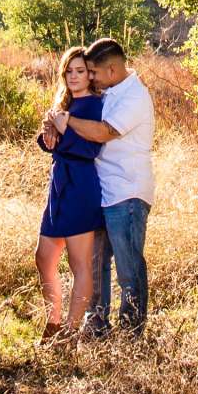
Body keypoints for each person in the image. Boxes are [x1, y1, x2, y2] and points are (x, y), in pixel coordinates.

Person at [47, 35, 154, 337]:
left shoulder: (134, 96)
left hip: (128, 192)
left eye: (92, 72)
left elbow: (104, 132)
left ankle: (132, 334)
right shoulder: (109, 92)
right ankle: (97, 327)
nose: (89, 77)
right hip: (101, 192)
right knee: (97, 266)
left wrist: (66, 120)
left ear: (111, 70)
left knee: (128, 267)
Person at [33, 46, 105, 341]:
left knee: (79, 264)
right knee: (44, 257)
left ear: (90, 74)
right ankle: (52, 321)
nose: (74, 76)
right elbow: (52, 140)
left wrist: (64, 133)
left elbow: (91, 148)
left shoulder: (96, 106)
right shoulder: (65, 103)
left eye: (80, 71)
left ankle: (69, 332)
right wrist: (47, 136)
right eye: (68, 71)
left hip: (81, 186)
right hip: (59, 187)